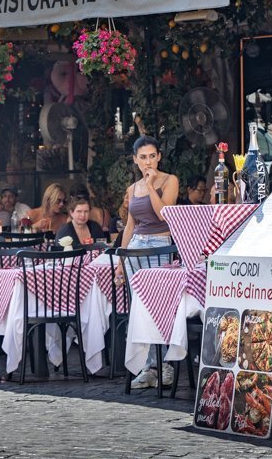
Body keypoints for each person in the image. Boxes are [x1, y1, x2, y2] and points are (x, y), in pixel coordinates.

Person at [119, 135, 179, 389]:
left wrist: (152, 184)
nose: (148, 161)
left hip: (160, 244)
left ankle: (164, 365)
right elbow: (130, 225)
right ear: (135, 160)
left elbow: (163, 213)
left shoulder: (169, 180)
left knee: (160, 307)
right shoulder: (132, 189)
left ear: (159, 156)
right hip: (135, 249)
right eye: (143, 157)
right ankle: (147, 366)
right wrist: (121, 259)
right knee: (140, 309)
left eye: (152, 156)